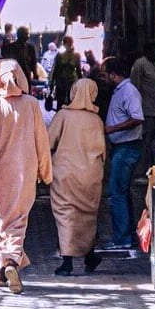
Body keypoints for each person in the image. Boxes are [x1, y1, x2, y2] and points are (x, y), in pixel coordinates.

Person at [0, 59, 52, 294]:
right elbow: (41, 141)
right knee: (17, 221)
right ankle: (11, 263)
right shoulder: (31, 104)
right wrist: (45, 172)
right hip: (24, 173)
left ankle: (1, 271)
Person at [48, 79, 106, 276]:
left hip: (65, 174)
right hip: (91, 175)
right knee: (88, 216)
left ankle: (67, 262)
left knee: (66, 215)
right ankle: (89, 256)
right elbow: (103, 152)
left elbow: (49, 141)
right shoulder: (96, 120)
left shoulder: (63, 116)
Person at [101, 56, 144, 250]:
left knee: (116, 192)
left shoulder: (128, 91)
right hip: (121, 146)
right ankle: (129, 235)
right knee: (122, 192)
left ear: (113, 75)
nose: (102, 78)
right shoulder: (120, 90)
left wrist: (112, 129)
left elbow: (137, 118)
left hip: (127, 147)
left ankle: (121, 238)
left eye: (104, 74)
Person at [129, 40, 155, 181]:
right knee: (144, 143)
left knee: (153, 143)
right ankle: (140, 173)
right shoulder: (140, 64)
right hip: (145, 112)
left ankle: (150, 171)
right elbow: (134, 88)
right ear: (148, 50)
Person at [49, 36, 81, 109]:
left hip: (70, 83)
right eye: (66, 43)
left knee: (69, 103)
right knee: (60, 103)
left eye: (69, 43)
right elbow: (55, 70)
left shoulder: (76, 56)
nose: (68, 45)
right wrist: (52, 83)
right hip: (61, 83)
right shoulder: (60, 55)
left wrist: (80, 83)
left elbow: (79, 71)